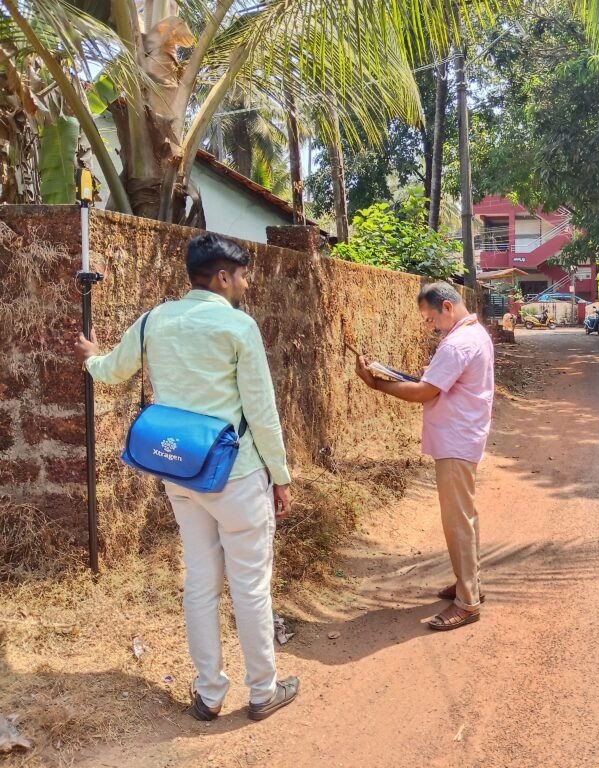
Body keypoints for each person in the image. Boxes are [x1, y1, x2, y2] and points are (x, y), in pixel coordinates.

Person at [74, 233, 299, 722]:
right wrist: (280, 476)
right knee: (249, 586)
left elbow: (111, 371)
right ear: (222, 277)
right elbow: (261, 411)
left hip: (180, 470)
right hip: (237, 474)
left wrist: (91, 356)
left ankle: (209, 695)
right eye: (242, 276)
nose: (245, 284)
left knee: (200, 582)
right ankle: (263, 692)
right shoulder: (238, 326)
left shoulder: (154, 320)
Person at [355, 282, 494, 631]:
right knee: (465, 516)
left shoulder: (458, 344)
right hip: (463, 436)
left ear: (447, 307)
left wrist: (375, 383)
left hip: (456, 440)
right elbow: (433, 384)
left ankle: (468, 602)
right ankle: (469, 583)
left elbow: (423, 392)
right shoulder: (474, 334)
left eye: (430, 319)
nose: (430, 326)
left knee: (457, 520)